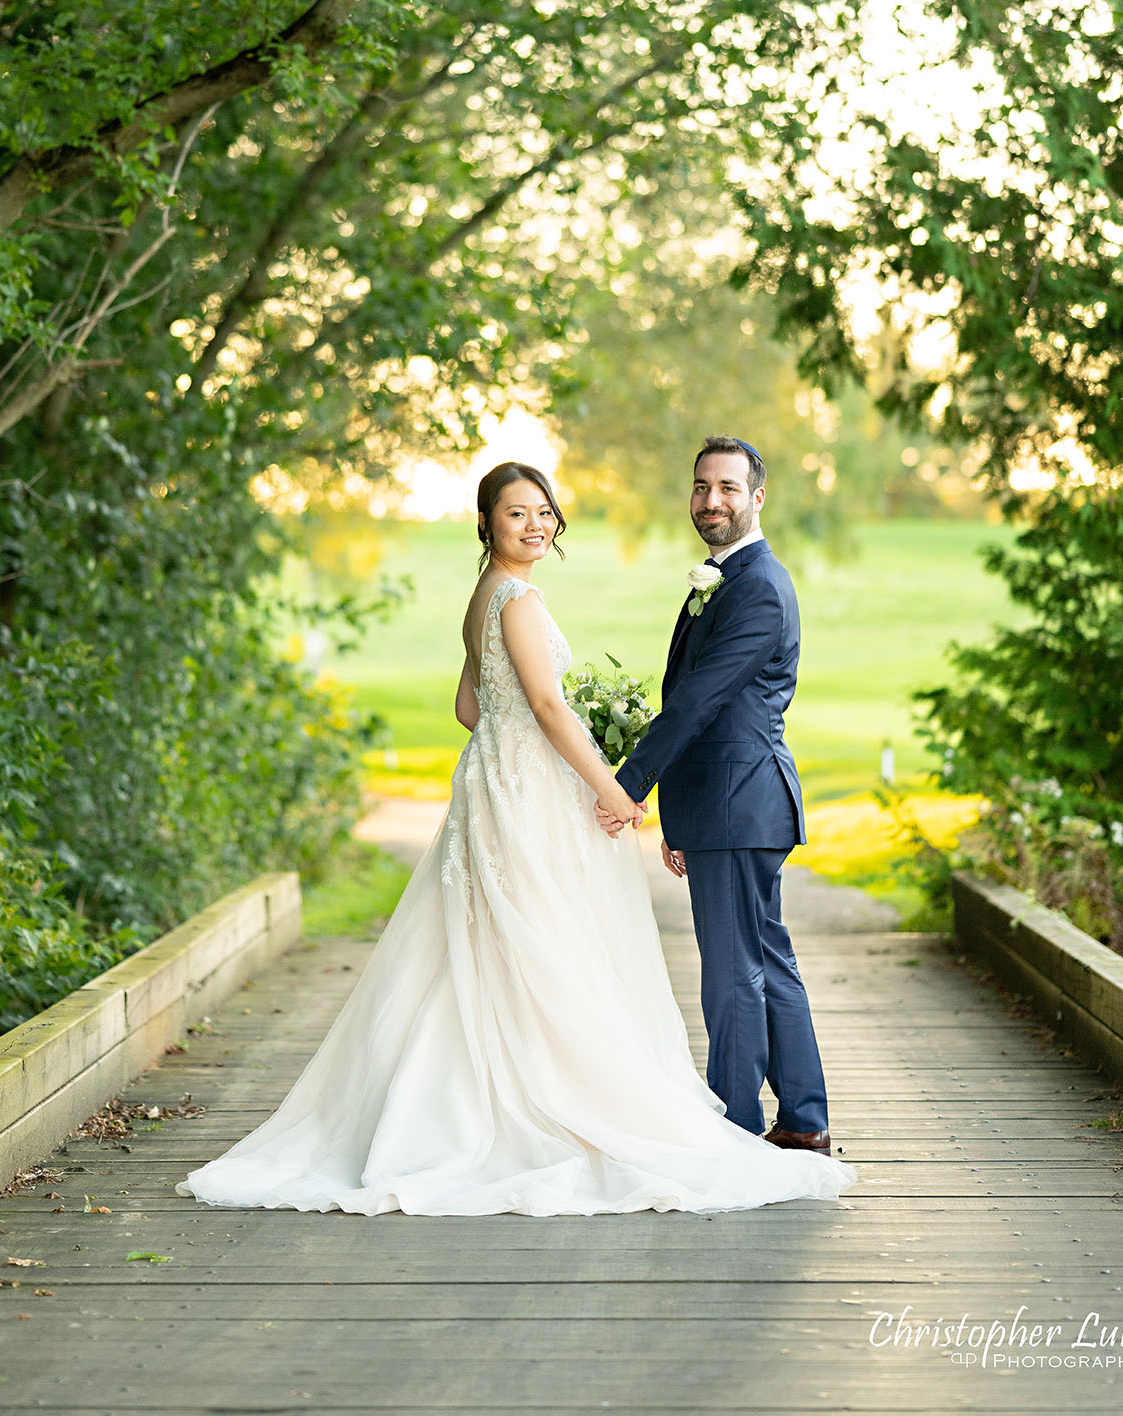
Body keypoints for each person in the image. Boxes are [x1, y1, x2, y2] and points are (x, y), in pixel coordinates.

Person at [176, 460, 854, 1216]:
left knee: (689, 961)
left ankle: (786, 1120)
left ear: (757, 496)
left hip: (615, 794)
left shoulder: (499, 598)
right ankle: (772, 1121)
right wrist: (609, 784)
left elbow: (475, 709)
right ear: (487, 524)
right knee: (577, 952)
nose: (535, 525)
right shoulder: (523, 599)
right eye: (517, 514)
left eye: (543, 512)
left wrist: (557, 757)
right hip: (558, 796)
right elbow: (547, 707)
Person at [600, 437, 834, 1155]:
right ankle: (801, 1117)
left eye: (728, 488)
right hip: (727, 804)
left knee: (734, 972)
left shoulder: (758, 585)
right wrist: (678, 815)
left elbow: (699, 701)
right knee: (764, 957)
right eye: (702, 487)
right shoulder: (725, 577)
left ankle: (732, 1128)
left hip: (741, 800)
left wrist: (626, 784)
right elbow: (701, 705)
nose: (711, 501)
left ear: (757, 497)